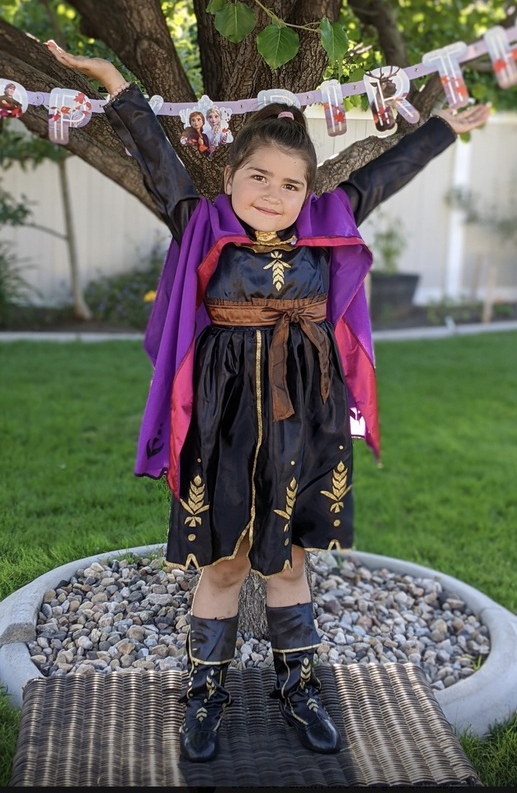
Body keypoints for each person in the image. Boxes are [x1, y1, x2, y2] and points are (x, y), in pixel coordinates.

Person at [45, 39, 491, 764]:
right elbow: (155, 153)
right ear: (229, 176)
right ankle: (205, 694)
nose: (273, 195)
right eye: (258, 177)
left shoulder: (327, 223)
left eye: (290, 184)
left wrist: (444, 129)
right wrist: (111, 82)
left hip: (302, 420)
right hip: (220, 422)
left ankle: (298, 686)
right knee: (222, 564)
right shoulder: (202, 224)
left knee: (285, 563)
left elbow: (385, 173)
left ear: (308, 191)